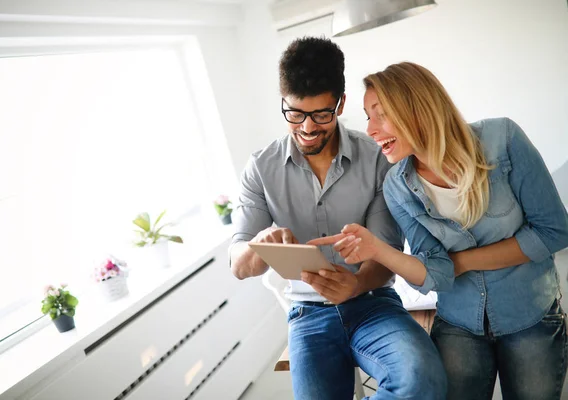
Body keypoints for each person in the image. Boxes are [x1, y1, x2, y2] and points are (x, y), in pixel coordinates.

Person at [310, 61, 568, 400]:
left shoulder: (502, 139)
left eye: (380, 114)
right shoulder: (398, 187)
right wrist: (376, 249)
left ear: (417, 107)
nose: (370, 129)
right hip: (459, 324)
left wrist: (461, 262)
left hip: (530, 317)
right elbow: (436, 274)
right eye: (367, 116)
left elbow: (554, 231)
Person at [229, 39, 446, 400]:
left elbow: (385, 252)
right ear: (283, 103)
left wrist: (356, 285)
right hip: (308, 315)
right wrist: (260, 246)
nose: (308, 128)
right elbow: (239, 266)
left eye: (321, 115)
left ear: (341, 103)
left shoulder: (377, 158)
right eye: (295, 114)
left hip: (373, 303)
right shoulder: (260, 169)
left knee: (421, 378)